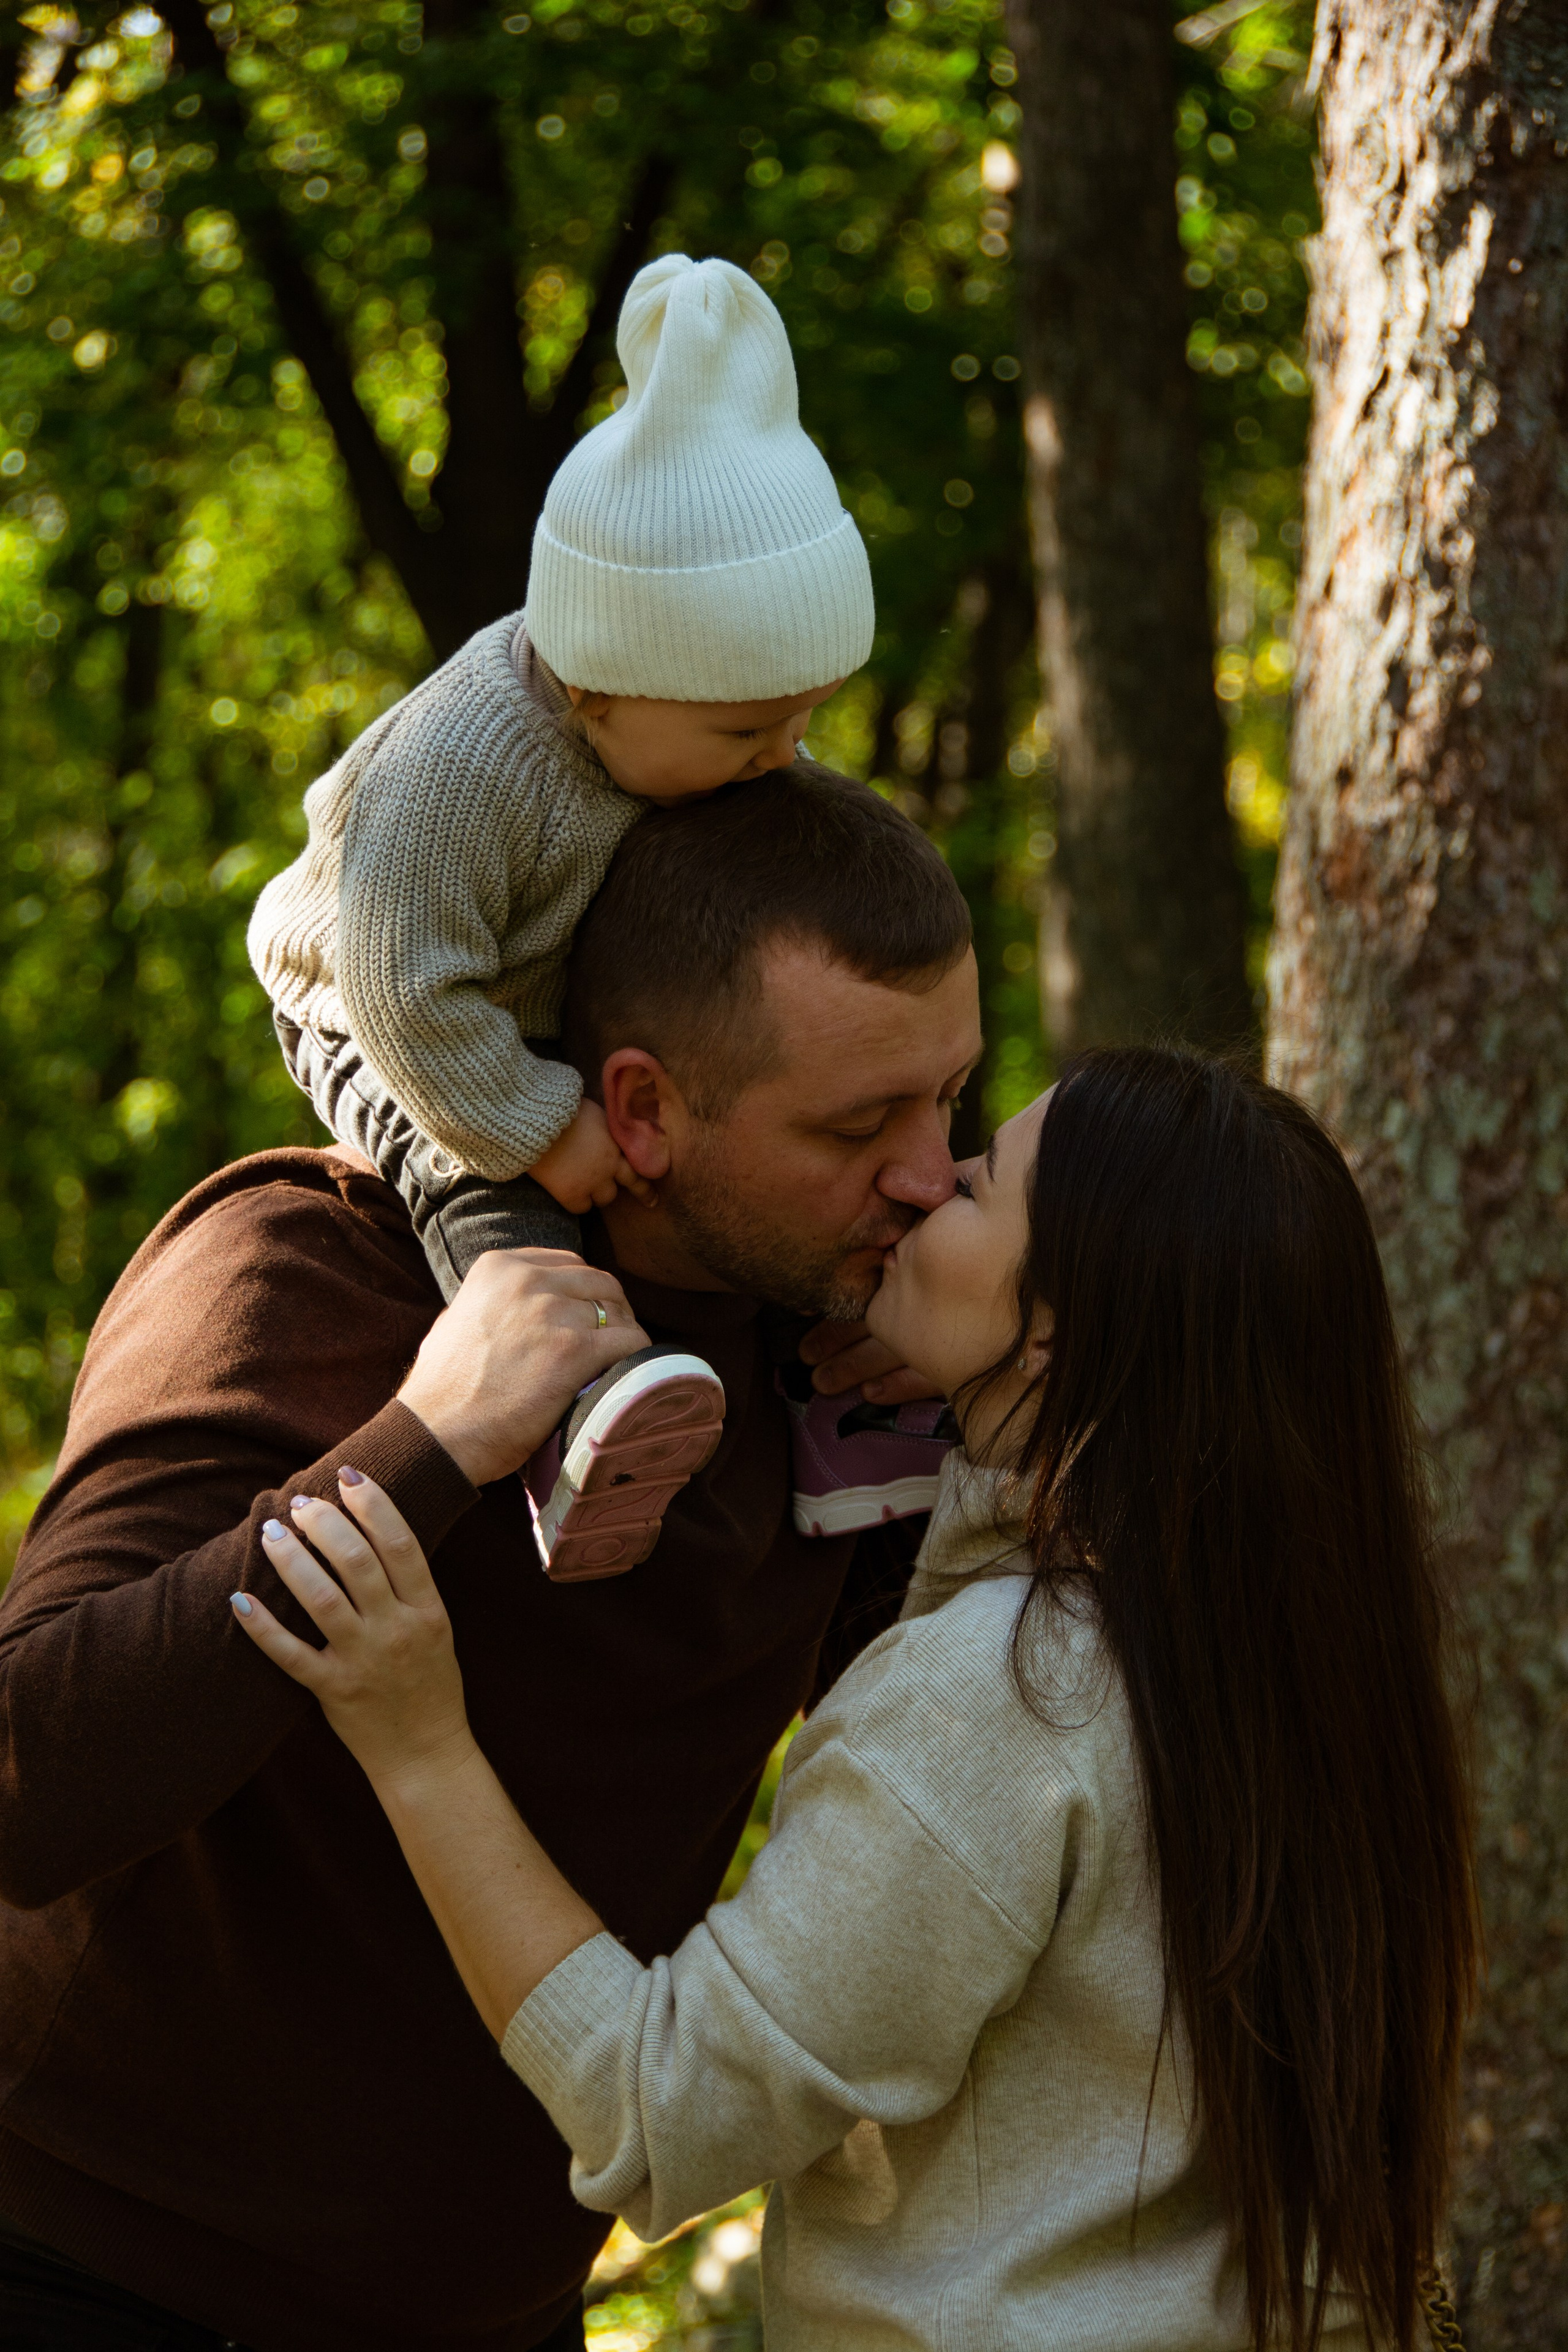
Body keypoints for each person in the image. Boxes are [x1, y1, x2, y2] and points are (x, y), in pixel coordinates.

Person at [239, 1047, 1481, 2352]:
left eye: (978, 1185)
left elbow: (656, 2107)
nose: (928, 1178)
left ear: (1056, 1336)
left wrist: (417, 1739)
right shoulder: (1285, 1656)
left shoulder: (1004, 1698)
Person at [0, 766, 980, 2352]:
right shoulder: (304, 1267)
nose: (932, 1174)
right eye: (862, 1123)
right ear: (644, 1110)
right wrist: (431, 1441)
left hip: (502, 2318)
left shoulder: (847, 1373)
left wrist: (1009, 1397)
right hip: (95, 2272)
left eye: (952, 1098)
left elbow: (940, 1811)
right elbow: (24, 1776)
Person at [249, 252, 876, 1576]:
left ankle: (854, 1398)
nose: (782, 755)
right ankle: (573, 1408)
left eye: (800, 720)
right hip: (373, 1003)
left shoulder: (684, 736)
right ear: (598, 687)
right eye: (748, 729)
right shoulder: (458, 777)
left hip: (532, 989)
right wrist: (536, 1126)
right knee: (466, 1177)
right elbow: (402, 983)